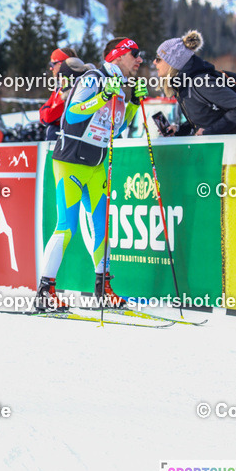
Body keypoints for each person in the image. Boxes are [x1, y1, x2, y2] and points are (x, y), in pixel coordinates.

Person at [35, 37, 147, 312]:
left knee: (101, 229)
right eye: (134, 54)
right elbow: (72, 115)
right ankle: (45, 291)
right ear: (118, 55)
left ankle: (103, 290)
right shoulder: (92, 79)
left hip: (96, 165)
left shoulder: (119, 86)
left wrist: (133, 103)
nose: (139, 60)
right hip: (71, 163)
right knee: (67, 226)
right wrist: (103, 97)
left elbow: (116, 129)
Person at [153, 30, 236, 136]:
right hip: (221, 148)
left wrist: (209, 132)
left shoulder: (201, 83)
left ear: (173, 62)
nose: (154, 62)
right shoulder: (184, 86)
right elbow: (205, 120)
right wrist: (178, 129)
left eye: (158, 59)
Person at [39, 48, 93, 142]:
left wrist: (51, 111)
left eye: (52, 64)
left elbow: (48, 117)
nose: (51, 68)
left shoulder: (79, 89)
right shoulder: (58, 89)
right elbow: (43, 115)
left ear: (62, 64)